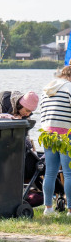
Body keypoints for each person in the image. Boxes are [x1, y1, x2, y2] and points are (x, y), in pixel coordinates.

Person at [37, 66, 71, 215]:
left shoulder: (47, 88)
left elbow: (42, 112)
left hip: (48, 133)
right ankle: (70, 209)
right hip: (66, 134)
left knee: (50, 172)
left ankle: (48, 208)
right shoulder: (70, 88)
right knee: (69, 173)